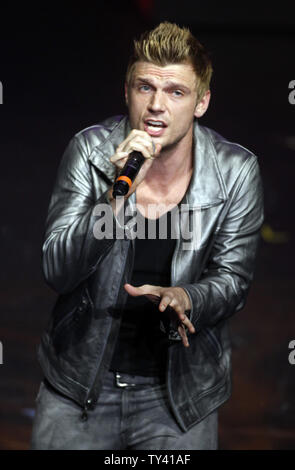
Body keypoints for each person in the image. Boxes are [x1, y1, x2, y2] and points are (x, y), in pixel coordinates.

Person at [31, 22, 264, 450]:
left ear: (201, 102)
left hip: (179, 399)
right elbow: (57, 270)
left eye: (176, 92)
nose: (156, 105)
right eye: (145, 88)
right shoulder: (90, 151)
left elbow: (234, 280)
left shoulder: (235, 171)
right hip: (78, 387)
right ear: (127, 93)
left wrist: (188, 296)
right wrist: (114, 200)